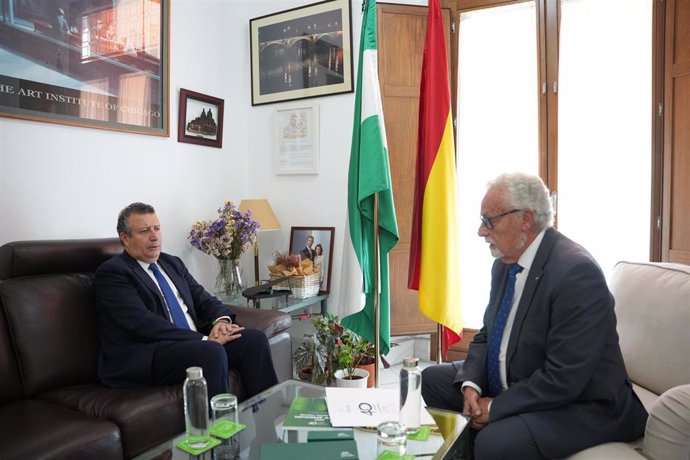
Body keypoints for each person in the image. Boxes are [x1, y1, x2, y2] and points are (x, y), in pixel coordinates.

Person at [421, 173, 647, 459]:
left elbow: (565, 378)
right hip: (520, 377)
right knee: (433, 380)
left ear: (526, 219)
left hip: (581, 404)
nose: (481, 230)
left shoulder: (576, 273)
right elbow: (487, 334)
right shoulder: (505, 263)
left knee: (495, 442)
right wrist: (472, 385)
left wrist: (495, 408)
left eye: (489, 220)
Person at [94, 202, 278, 399]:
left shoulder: (171, 263)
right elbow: (143, 324)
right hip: (150, 354)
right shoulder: (113, 273)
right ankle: (221, 428)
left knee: (254, 340)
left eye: (157, 228)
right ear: (125, 238)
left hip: (192, 344)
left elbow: (203, 298)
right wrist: (205, 339)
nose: (154, 236)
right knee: (211, 352)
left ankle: (266, 419)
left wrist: (221, 322)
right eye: (145, 231)